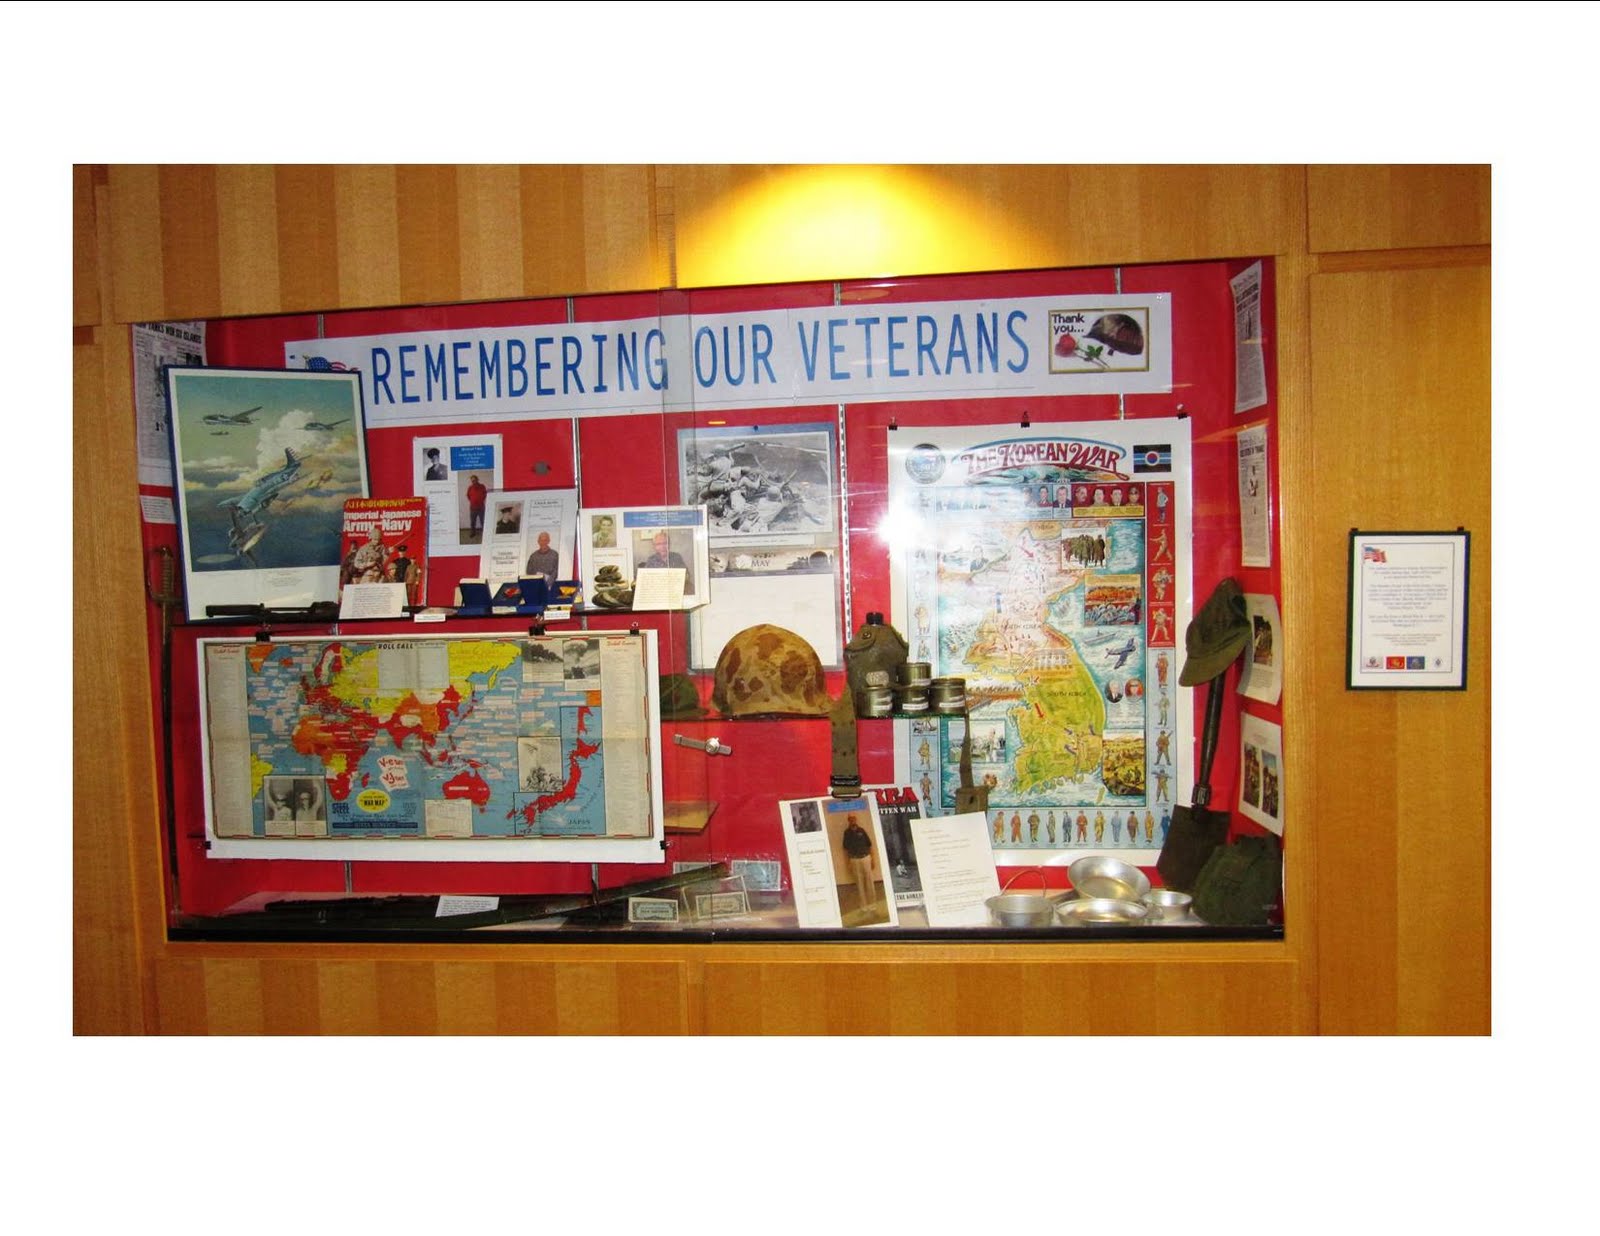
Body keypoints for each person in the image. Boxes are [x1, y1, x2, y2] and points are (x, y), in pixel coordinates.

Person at [841, 814, 875, 911]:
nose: (852, 820)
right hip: (854, 860)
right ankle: (863, 906)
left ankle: (872, 904)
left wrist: (873, 860)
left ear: (856, 819)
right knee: (859, 884)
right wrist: (848, 863)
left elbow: (869, 845)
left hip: (866, 858)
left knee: (869, 882)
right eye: (850, 819)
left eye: (854, 818)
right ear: (848, 820)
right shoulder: (846, 833)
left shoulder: (862, 830)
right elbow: (846, 849)